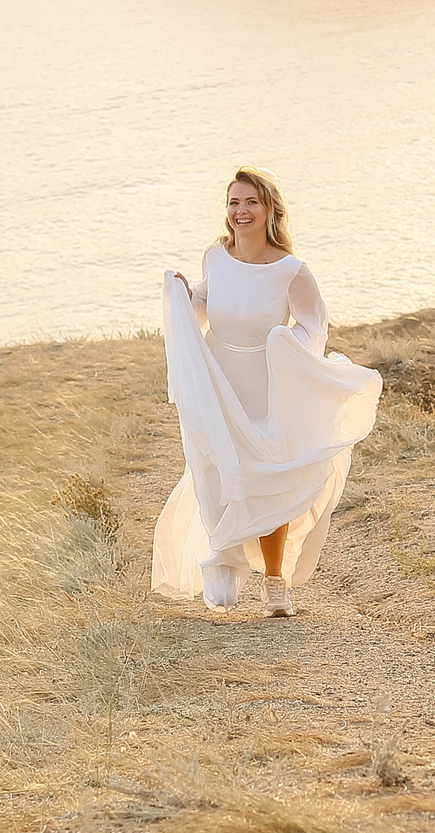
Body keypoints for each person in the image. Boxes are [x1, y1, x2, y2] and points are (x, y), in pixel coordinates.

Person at [152, 168, 381, 615]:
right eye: (234, 202)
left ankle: (275, 582)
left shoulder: (291, 270)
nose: (241, 211)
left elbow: (314, 326)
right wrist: (183, 296)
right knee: (220, 473)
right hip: (221, 381)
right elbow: (205, 308)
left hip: (270, 386)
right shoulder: (215, 257)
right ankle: (226, 563)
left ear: (270, 208)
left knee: (269, 476)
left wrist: (283, 345)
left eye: (251, 202)